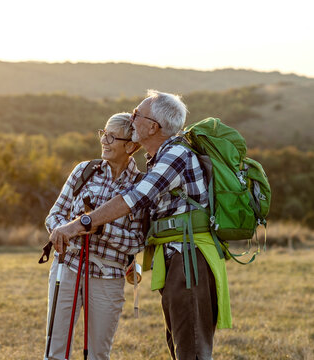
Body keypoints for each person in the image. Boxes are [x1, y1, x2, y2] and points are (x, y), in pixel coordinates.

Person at [49, 90, 232, 360]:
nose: (132, 118)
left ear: (152, 126)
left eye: (137, 114)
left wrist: (81, 224)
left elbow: (135, 199)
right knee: (180, 342)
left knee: (191, 345)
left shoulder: (175, 155)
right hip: (176, 258)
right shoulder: (158, 157)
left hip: (190, 258)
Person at [44, 113, 145, 360]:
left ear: (130, 146)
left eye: (112, 137)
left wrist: (100, 228)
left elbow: (136, 241)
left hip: (108, 277)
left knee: (98, 354)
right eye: (103, 134)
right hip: (67, 268)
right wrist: (61, 232)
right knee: (54, 352)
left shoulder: (140, 185)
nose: (105, 141)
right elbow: (54, 216)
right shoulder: (84, 170)